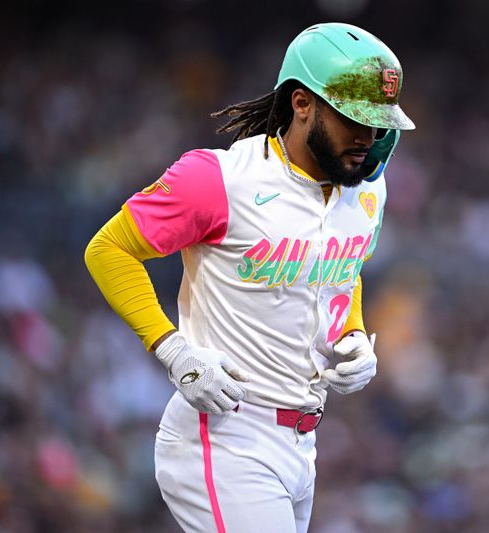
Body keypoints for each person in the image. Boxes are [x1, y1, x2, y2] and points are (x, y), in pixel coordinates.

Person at [84, 22, 415, 533]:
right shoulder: (219, 179)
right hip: (224, 435)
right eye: (355, 118)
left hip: (302, 445)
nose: (368, 137)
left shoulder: (367, 189)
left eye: (378, 123)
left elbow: (343, 271)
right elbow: (109, 249)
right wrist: (173, 351)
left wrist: (351, 333)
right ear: (302, 103)